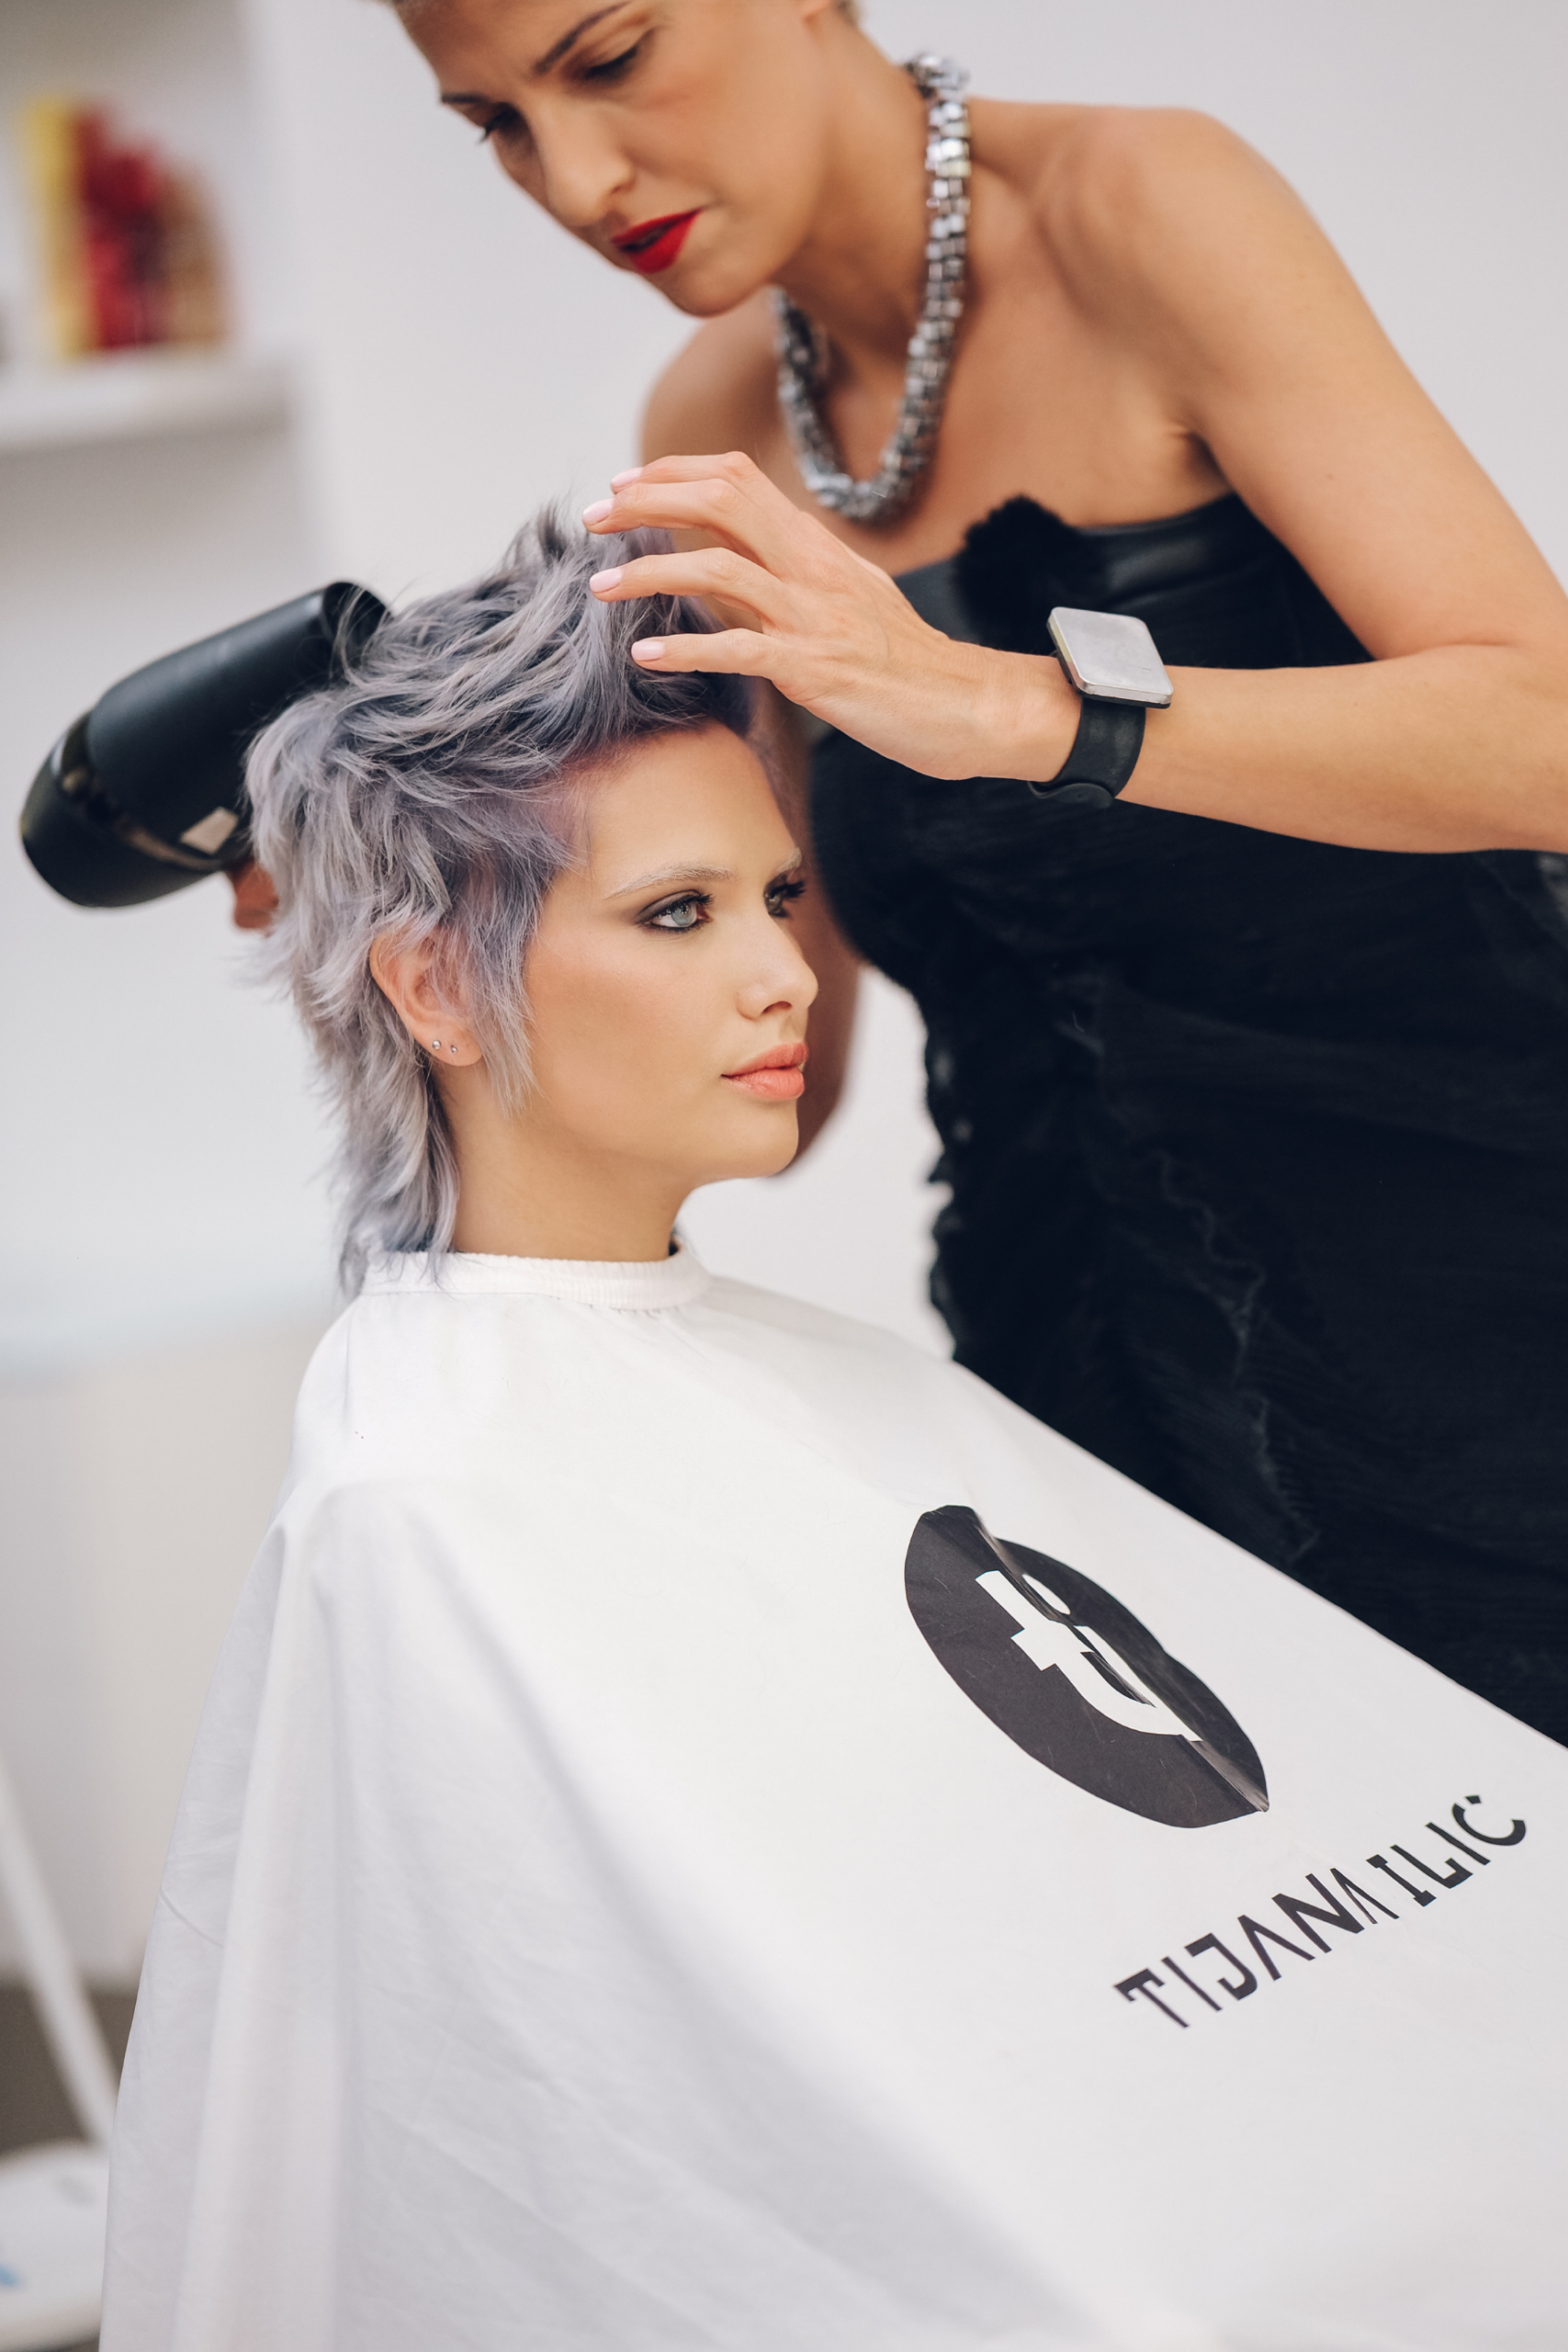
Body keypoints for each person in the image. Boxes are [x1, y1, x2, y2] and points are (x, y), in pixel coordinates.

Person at [105, 513, 1568, 2351]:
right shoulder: (427, 1503)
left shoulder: (820, 1382)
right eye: (678, 913)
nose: (787, 976)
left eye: (781, 897)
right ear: (430, 984)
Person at [290, 0, 1568, 1747]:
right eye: (496, 125)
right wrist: (426, 948)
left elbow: (1541, 733)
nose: (575, 180)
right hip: (1077, 1390)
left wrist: (997, 706)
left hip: (1491, 1326)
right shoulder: (717, 422)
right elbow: (787, 1064)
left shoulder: (1142, 209)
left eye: (608, 58)